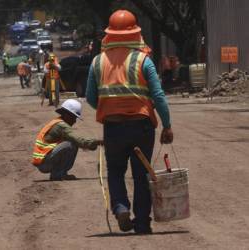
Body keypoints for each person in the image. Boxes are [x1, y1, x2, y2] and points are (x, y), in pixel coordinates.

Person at [86, 10, 173, 234]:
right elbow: (159, 96)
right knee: (141, 173)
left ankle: (121, 207)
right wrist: (167, 125)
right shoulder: (144, 61)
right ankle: (142, 223)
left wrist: (109, 109)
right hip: (141, 126)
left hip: (113, 127)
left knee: (115, 171)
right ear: (136, 33)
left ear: (109, 34)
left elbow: (90, 97)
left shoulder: (98, 62)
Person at [31, 99, 102, 181]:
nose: (75, 121)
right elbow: (79, 140)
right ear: (67, 115)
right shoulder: (62, 126)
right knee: (70, 143)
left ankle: (60, 173)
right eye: (74, 117)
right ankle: (58, 174)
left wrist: (92, 145)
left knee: (72, 143)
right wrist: (98, 142)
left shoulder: (57, 122)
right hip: (44, 163)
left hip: (43, 162)